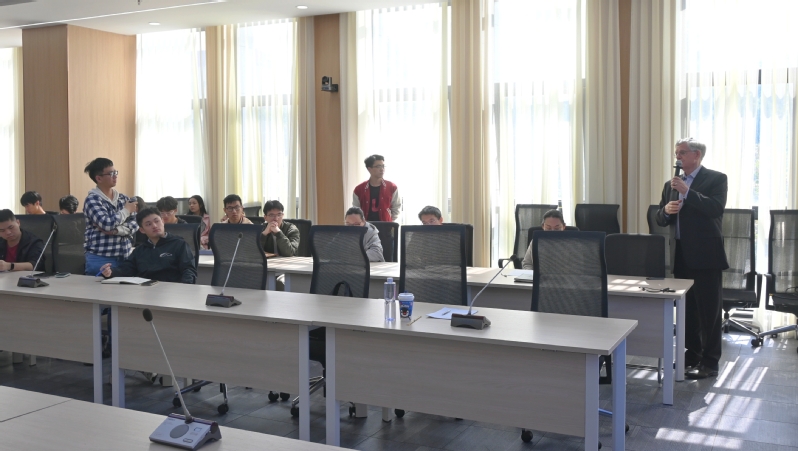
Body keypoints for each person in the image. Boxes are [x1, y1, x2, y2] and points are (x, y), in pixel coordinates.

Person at [656, 138, 728, 380]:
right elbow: (659, 217)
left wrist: (688, 192)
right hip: (681, 255)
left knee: (709, 311)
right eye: (676, 153)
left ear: (696, 155)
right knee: (687, 311)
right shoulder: (670, 184)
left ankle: (710, 362)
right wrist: (665, 211)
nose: (677, 157)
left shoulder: (716, 179)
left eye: (682, 153)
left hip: (707, 256)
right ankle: (692, 354)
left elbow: (715, 208)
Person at [99, 208, 197, 284]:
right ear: (142, 230)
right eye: (148, 224)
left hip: (171, 292)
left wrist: (184, 288)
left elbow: (188, 270)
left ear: (162, 222)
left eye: (157, 221)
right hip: (144, 292)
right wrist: (110, 272)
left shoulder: (179, 244)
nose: (154, 226)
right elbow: (126, 269)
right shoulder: (140, 250)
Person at [82, 158, 139, 275]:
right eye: (111, 173)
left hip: (125, 256)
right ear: (99, 178)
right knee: (97, 287)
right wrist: (126, 211)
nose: (115, 176)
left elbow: (136, 222)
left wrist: (117, 231)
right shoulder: (92, 200)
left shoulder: (123, 198)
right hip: (100, 258)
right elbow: (107, 224)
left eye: (115, 172)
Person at [352, 154, 401, 222]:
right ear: (369, 169)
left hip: (386, 226)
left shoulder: (392, 187)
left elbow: (396, 208)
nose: (382, 169)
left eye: (383, 166)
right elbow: (356, 210)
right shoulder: (359, 189)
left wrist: (389, 222)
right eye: (378, 166)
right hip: (366, 226)